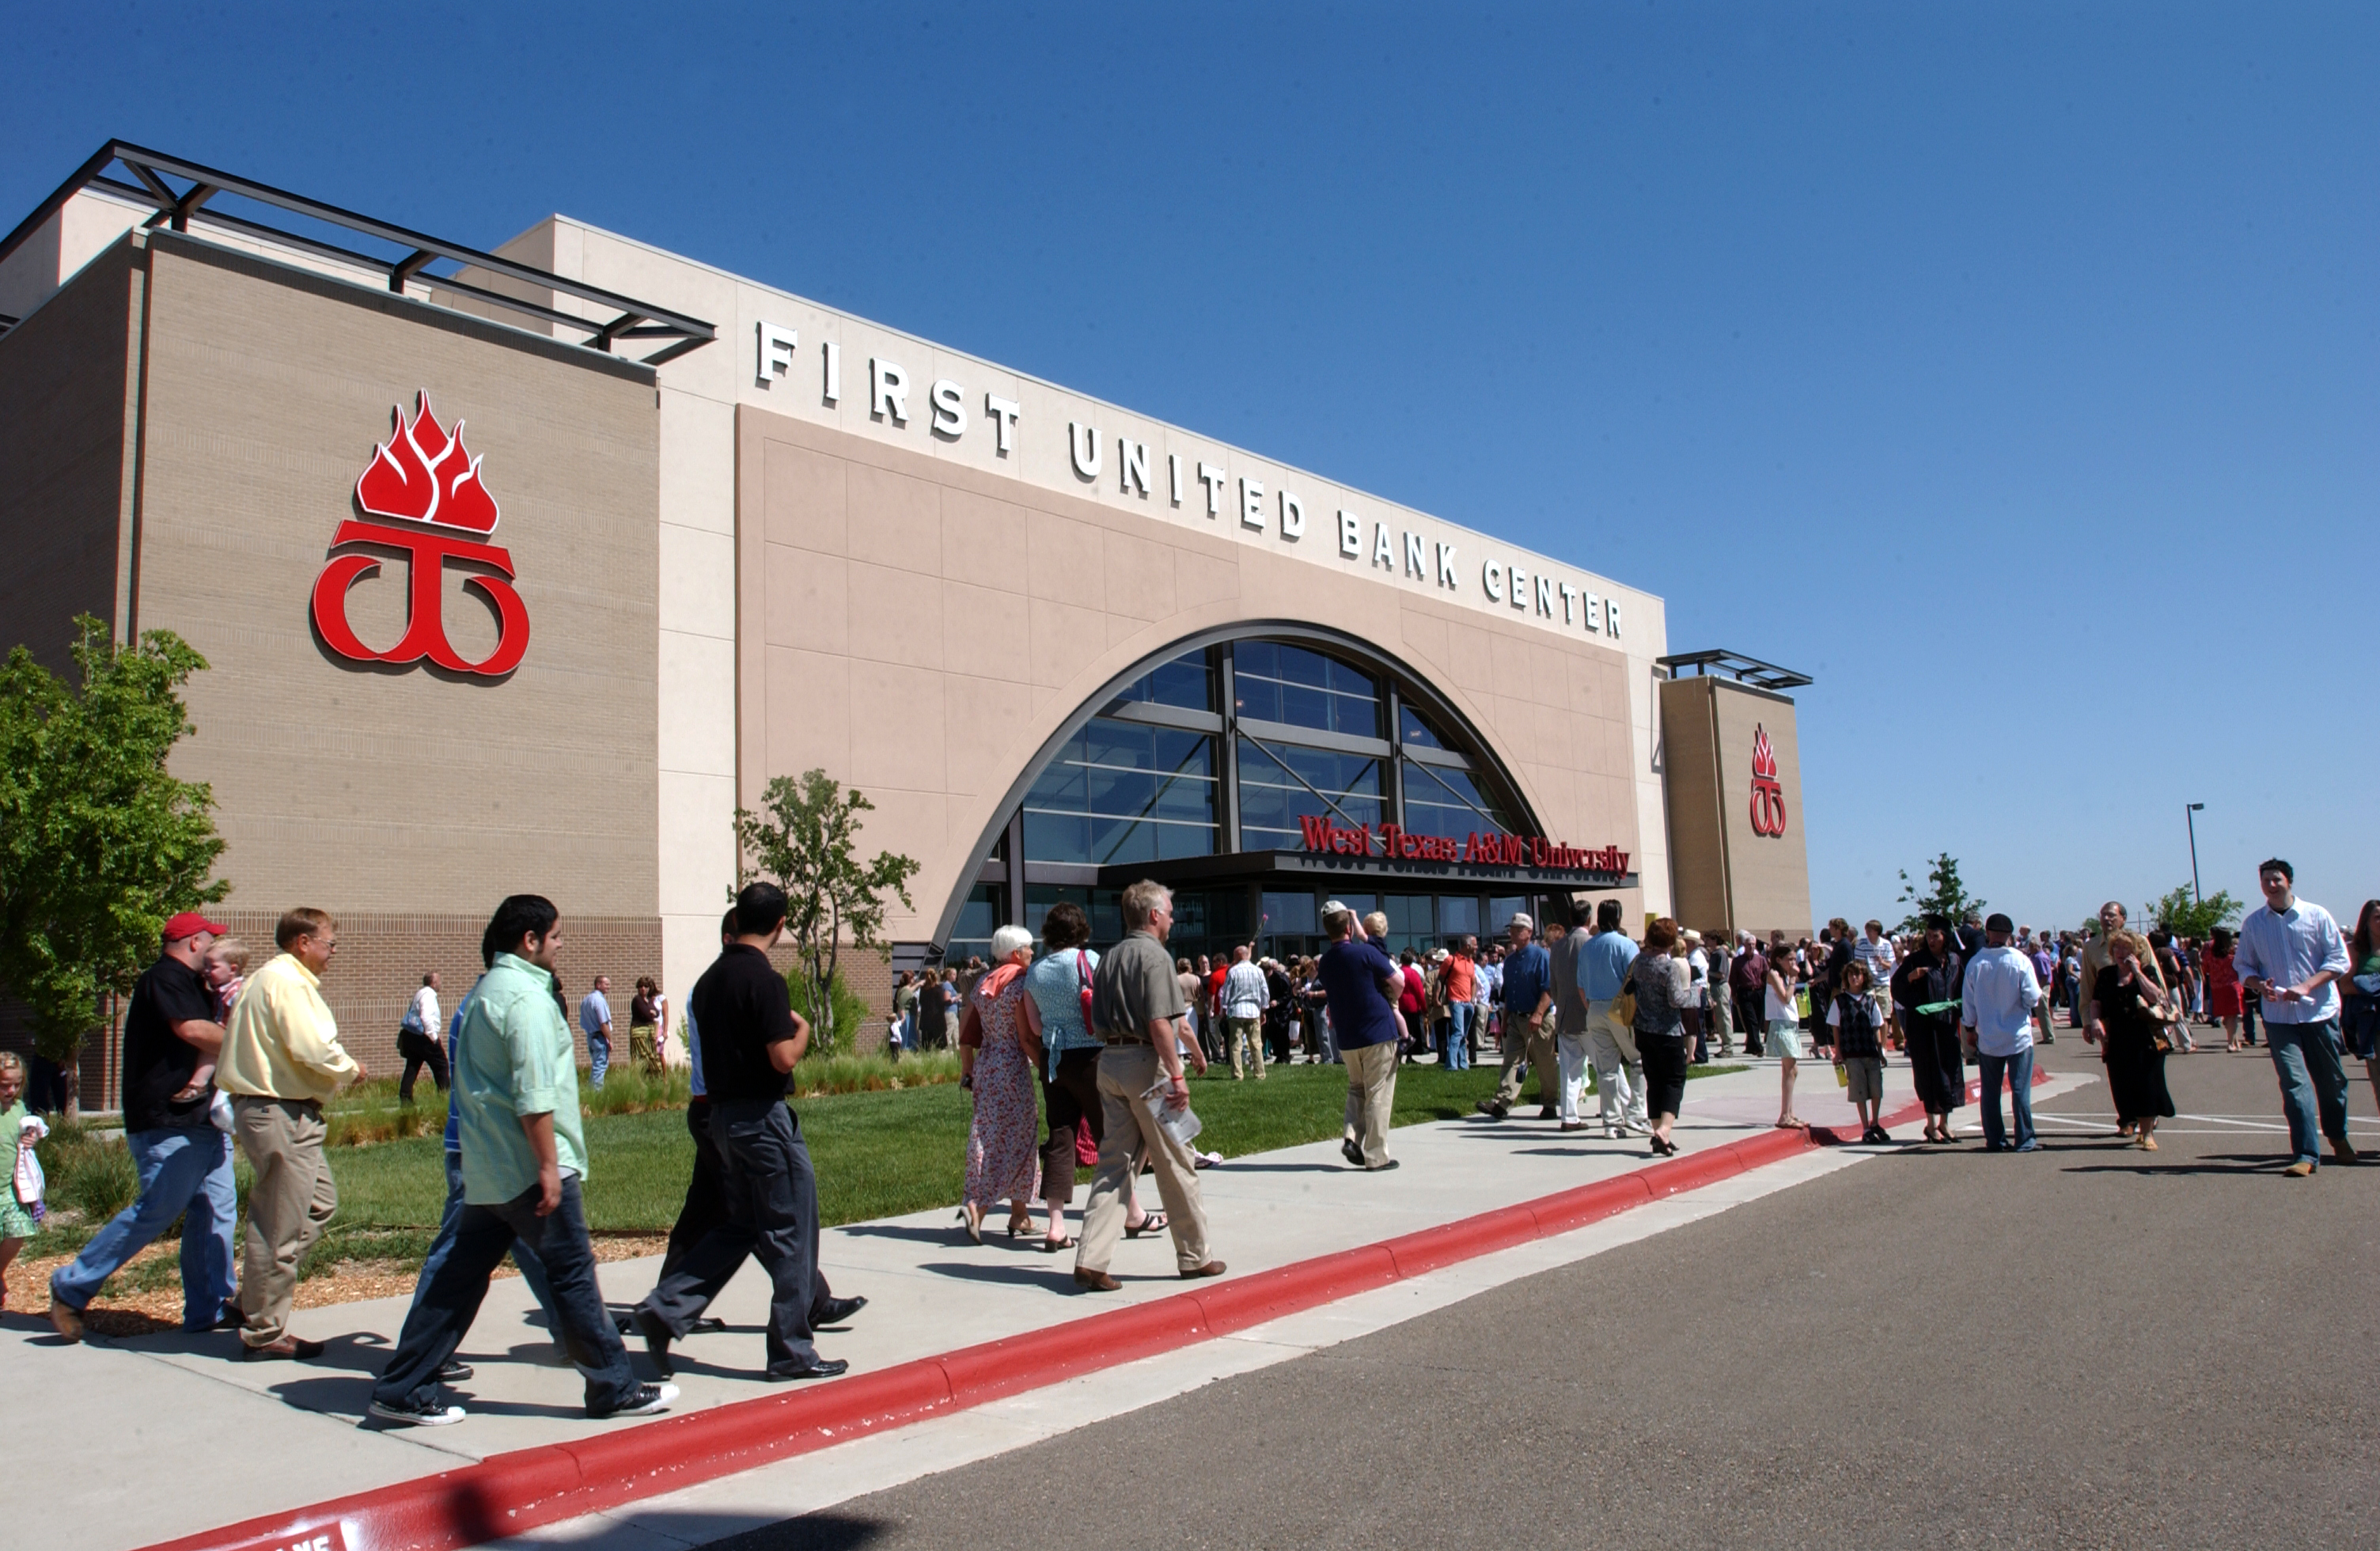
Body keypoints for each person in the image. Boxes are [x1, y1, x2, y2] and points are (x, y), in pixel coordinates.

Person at [368, 895, 675, 1427]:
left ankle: (402, 1384)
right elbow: (534, 1094)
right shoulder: (527, 1001)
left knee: (459, 1279)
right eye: (555, 936)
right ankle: (613, 1386)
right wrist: (550, 1167)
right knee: (573, 1273)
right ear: (529, 940)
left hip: (486, 1169)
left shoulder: (485, 992)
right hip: (525, 1171)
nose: (561, 945)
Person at [638, 883, 863, 1377]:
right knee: (791, 1231)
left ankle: (665, 1310)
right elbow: (782, 1056)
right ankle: (791, 1351)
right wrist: (801, 1031)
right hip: (764, 1120)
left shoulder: (710, 980)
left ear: (737, 919)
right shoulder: (764, 980)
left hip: (719, 1119)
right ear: (780, 925)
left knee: (738, 1225)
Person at [47, 912, 240, 1343]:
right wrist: (249, 1040)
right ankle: (71, 1286)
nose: (214, 950)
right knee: (158, 1210)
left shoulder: (195, 984)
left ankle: (209, 1309)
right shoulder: (164, 978)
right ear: (192, 942)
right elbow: (189, 1029)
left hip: (203, 1119)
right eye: (210, 941)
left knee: (216, 1212)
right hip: (167, 1120)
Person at [218, 908, 363, 1357]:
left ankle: (254, 1299)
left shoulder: (268, 979)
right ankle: (264, 1331)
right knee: (278, 1225)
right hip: (281, 1113)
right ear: (303, 942)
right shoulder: (288, 983)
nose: (333, 952)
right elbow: (312, 1047)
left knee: (318, 1204)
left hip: (279, 1112)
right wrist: (350, 1069)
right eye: (330, 942)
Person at [1072, 880, 1224, 1291]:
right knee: (1177, 1161)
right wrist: (1177, 1075)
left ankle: (1090, 1259)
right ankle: (1195, 1257)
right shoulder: (1156, 958)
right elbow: (1161, 1023)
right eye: (1170, 912)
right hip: (1149, 1067)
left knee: (1113, 1165)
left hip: (1111, 1063)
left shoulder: (1109, 957)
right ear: (1154, 915)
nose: (1174, 919)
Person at [1021, 902, 1156, 1253]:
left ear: (1049, 932)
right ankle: (1133, 1213)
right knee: (1112, 1137)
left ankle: (1055, 1226)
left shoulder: (1035, 972)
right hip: (1092, 1057)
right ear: (1081, 930)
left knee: (1060, 1140)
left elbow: (1034, 1026)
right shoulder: (1092, 961)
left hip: (1054, 1060)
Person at [2233, 859, 2354, 1177]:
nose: (2271, 885)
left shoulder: (2317, 915)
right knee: (2294, 1084)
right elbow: (2243, 966)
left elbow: (2339, 959)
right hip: (2278, 1017)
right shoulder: (2254, 924)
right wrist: (2259, 985)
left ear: (2289, 881)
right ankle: (2305, 1154)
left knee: (2331, 1084)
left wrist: (2307, 985)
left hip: (2319, 1013)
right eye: (2266, 880)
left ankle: (2337, 1135)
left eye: (2277, 879)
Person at [957, 925, 1044, 1243]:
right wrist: (1045, 1067)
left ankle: (1020, 1214)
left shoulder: (983, 982)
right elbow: (1025, 1037)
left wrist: (967, 1070)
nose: (1032, 953)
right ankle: (977, 1210)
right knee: (1020, 1137)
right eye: (1028, 948)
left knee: (988, 1134)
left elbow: (965, 1033)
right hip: (1011, 1067)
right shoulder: (1020, 984)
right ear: (1015, 953)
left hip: (987, 1065)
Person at [1318, 899, 1404, 1169]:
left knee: (1357, 1088)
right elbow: (1399, 982)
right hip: (1378, 1031)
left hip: (1347, 1036)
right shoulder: (1366, 953)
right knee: (1378, 1091)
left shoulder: (1325, 963)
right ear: (1349, 929)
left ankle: (1352, 1137)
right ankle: (1376, 1156)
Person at [1960, 913, 2042, 1154]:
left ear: (1988, 933)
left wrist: (1969, 1029)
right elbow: (2032, 996)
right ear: (2010, 935)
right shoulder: (2020, 961)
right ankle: (2025, 1138)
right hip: (2017, 1035)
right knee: (2019, 1090)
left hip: (1988, 1036)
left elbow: (1968, 1002)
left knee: (1990, 1091)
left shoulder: (1976, 963)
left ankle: (1995, 1139)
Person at [2088, 931, 2177, 1150]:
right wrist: (2094, 1021)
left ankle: (2147, 1134)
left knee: (2147, 1084)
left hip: (2146, 1037)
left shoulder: (2147, 971)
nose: (2120, 952)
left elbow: (2157, 997)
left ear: (2136, 951)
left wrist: (2137, 972)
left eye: (2126, 948)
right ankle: (2129, 1121)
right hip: (2117, 1036)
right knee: (2122, 1084)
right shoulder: (2106, 974)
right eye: (2117, 948)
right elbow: (2096, 1002)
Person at [1890, 919, 1967, 1144]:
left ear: (1945, 937)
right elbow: (1897, 987)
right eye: (1929, 936)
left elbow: (1962, 990)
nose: (1932, 940)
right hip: (1924, 1029)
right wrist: (1911, 977)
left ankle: (1945, 1123)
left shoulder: (1954, 960)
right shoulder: (1916, 960)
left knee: (1950, 1070)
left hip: (1947, 1025)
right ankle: (1931, 1125)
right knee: (1929, 1073)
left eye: (1936, 936)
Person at [1626, 919, 1693, 1155]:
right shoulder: (1669, 967)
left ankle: (1659, 1135)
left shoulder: (1639, 962)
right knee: (1674, 1080)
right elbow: (1676, 999)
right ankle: (1664, 1130)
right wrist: (1692, 993)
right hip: (1667, 1031)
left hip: (1643, 1029)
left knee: (1653, 1082)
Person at [1479, 912, 1553, 1121]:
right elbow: (1509, 992)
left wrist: (1539, 1014)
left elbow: (1548, 989)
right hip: (1515, 1019)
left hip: (1539, 1019)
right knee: (1510, 1060)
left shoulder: (1541, 956)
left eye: (1518, 929)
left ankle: (1549, 1103)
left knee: (1544, 1063)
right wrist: (1504, 1020)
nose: (1512, 933)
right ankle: (1502, 1103)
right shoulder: (1510, 962)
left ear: (1529, 933)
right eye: (1511, 929)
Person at [1821, 961, 1889, 1144]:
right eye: (1851, 975)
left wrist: (1880, 1050)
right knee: (1859, 1091)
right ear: (1846, 978)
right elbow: (1836, 1027)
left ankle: (1875, 1122)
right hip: (1852, 1053)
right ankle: (1865, 1127)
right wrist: (1838, 1052)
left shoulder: (1870, 1001)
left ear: (1864, 978)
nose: (1854, 978)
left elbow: (1878, 1026)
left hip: (1870, 1051)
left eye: (1858, 974)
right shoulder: (1840, 1001)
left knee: (1876, 1089)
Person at [0, 1052, 44, 1310]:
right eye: (4, 1084)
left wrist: (32, 1138)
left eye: (16, 1084)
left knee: (19, 1232)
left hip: (10, 1187)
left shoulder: (18, 1108)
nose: (11, 1090)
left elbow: (29, 1132)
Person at [1765, 941, 1806, 1129]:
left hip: (1790, 1023)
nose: (1793, 962)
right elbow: (1785, 997)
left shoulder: (1783, 975)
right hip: (1781, 1024)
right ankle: (1784, 1115)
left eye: (1794, 958)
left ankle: (1789, 1112)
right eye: (1789, 959)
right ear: (1779, 959)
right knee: (1790, 1068)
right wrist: (1792, 980)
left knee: (1791, 1069)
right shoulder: (1774, 975)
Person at [1219, 944, 1270, 1081]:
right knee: (1256, 1044)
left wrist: (1224, 1009)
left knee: (1236, 1045)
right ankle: (1259, 1074)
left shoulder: (1233, 971)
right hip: (1253, 1011)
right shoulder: (1258, 971)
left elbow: (1227, 993)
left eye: (1234, 955)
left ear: (1239, 955)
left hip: (1236, 1011)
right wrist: (1264, 1010)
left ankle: (1237, 1074)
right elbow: (1265, 992)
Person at [398, 971, 447, 1103]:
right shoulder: (429, 994)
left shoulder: (419, 993)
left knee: (412, 1066)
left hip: (413, 1037)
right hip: (425, 1038)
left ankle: (405, 1099)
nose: (440, 984)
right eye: (439, 981)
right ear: (433, 983)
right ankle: (445, 1098)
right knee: (441, 1066)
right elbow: (425, 1016)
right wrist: (433, 1036)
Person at [2204, 926, 2245, 1052]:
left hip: (2217, 987)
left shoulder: (2210, 954)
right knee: (2232, 1016)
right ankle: (2230, 1043)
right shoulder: (2232, 954)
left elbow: (2205, 969)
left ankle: (2235, 1041)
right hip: (2232, 986)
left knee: (2227, 1016)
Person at [1441, 938, 1479, 1071]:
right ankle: (1451, 1065)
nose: (1477, 947)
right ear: (1467, 945)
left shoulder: (1471, 962)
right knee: (1458, 1031)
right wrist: (1436, 996)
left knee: (1463, 1034)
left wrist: (1472, 1000)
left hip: (1468, 1003)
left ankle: (1463, 1064)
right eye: (1474, 945)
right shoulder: (1451, 960)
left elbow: (1473, 982)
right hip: (1456, 1001)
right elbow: (1440, 979)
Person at [579, 975, 614, 1090]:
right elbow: (603, 1024)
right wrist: (609, 1040)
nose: (608, 987)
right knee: (600, 1067)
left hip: (590, 1036)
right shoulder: (599, 1000)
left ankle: (590, 1092)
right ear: (598, 985)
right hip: (599, 1037)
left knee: (596, 1066)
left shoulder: (586, 1000)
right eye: (606, 984)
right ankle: (597, 1094)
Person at [630, 976, 665, 1076]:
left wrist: (654, 1012)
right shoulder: (637, 1000)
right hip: (639, 1031)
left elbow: (658, 1013)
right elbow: (646, 1014)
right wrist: (651, 1013)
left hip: (650, 1032)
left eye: (646, 986)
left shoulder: (649, 1000)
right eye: (641, 986)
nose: (643, 989)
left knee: (653, 1057)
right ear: (638, 988)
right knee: (644, 1056)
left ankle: (653, 1079)